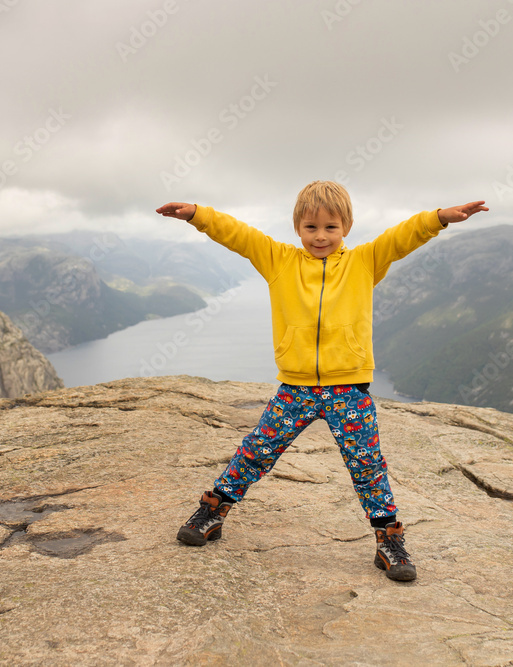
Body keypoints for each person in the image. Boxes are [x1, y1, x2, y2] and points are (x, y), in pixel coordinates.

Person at [156, 181, 487, 581]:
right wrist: (197, 214)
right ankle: (212, 512)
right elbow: (239, 235)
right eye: (311, 227)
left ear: (346, 227)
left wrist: (438, 219)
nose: (320, 236)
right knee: (256, 450)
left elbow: (401, 237)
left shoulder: (364, 262)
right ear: (297, 228)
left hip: (349, 389)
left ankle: (388, 542)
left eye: (331, 227)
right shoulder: (279, 260)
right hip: (295, 388)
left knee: (367, 466)